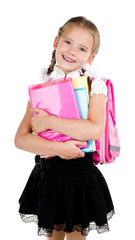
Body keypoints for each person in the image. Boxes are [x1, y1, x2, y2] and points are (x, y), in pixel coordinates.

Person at [14, 16, 115, 240]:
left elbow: (94, 130)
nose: (72, 51)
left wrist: (48, 122)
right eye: (67, 42)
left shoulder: (94, 85)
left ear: (91, 57)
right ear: (56, 42)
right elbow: (21, 139)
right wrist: (58, 148)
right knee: (54, 237)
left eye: (81, 48)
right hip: (49, 179)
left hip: (80, 180)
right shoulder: (43, 84)